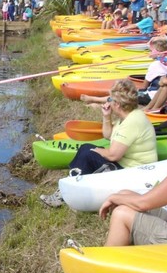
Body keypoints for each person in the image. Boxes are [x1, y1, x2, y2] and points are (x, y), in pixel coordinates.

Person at [41, 79, 158, 207]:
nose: (108, 102)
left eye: (110, 99)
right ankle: (71, 189)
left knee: (87, 153)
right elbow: (108, 136)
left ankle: (65, 194)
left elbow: (114, 155)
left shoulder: (132, 122)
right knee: (87, 149)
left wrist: (98, 151)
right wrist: (106, 116)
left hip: (134, 172)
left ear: (117, 104)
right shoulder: (127, 117)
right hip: (127, 165)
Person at [98, 106, 167, 246]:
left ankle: (105, 265)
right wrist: (119, 197)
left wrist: (112, 197)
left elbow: (143, 204)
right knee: (125, 195)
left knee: (122, 213)